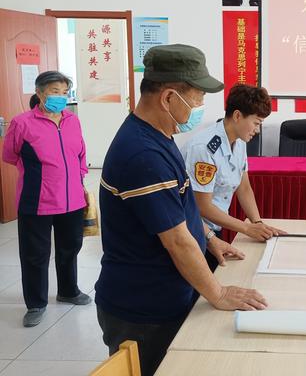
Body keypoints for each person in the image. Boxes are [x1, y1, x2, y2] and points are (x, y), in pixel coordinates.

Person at [95, 44, 266, 376]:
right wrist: (218, 292)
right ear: (169, 97)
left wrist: (208, 240)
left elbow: (181, 206)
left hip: (167, 293)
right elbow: (176, 240)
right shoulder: (142, 153)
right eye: (198, 98)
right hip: (142, 308)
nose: (201, 107)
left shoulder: (159, 136)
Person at [2, 71, 91, 328]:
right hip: (37, 200)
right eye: (54, 91)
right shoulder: (22, 123)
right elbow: (9, 155)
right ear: (39, 93)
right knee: (35, 254)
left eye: (65, 93)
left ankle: (68, 290)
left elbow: (81, 154)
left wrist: (80, 179)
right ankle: (36, 303)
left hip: (72, 199)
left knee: (70, 247)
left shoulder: (73, 120)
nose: (60, 97)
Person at [181, 84, 285, 271]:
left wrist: (257, 224)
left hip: (214, 229)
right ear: (237, 116)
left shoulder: (239, 140)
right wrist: (246, 229)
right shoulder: (204, 148)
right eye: (256, 123)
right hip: (193, 231)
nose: (257, 130)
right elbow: (202, 206)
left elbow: (243, 186)